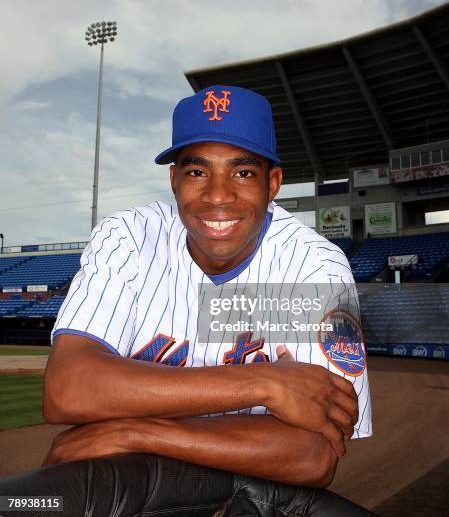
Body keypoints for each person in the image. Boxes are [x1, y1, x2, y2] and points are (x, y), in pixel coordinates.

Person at [0, 86, 375, 516]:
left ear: (272, 184)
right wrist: (267, 383)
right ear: (174, 179)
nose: (217, 196)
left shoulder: (311, 265)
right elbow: (68, 390)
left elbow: (313, 455)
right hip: (135, 485)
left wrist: (133, 431)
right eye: (198, 172)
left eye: (242, 173)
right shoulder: (130, 237)